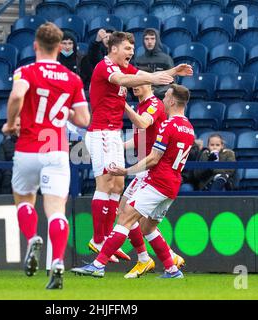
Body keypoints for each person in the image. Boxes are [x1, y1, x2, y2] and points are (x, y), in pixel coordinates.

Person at [84, 30, 193, 264]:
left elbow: (143, 75)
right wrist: (153, 79)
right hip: (102, 131)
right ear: (113, 49)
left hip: (113, 134)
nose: (131, 54)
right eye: (127, 49)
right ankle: (100, 239)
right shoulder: (106, 68)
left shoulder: (132, 77)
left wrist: (172, 72)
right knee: (106, 184)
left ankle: (141, 255)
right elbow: (126, 81)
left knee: (118, 185)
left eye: (133, 50)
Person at [72, 84, 194, 279]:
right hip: (172, 184)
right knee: (148, 227)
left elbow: (154, 158)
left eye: (166, 97)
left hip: (157, 181)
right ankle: (172, 269)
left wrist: (126, 170)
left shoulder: (168, 124)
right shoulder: (189, 128)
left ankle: (98, 264)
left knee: (125, 217)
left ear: (172, 101)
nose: (163, 100)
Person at [1, 22, 90, 290]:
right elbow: (84, 119)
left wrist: (10, 122)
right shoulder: (71, 78)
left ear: (36, 46)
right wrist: (63, 110)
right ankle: (59, 262)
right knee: (56, 212)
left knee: (24, 199)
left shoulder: (25, 71)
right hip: (56, 149)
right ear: (60, 46)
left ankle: (31, 239)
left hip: (28, 146)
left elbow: (17, 96)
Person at [120, 83, 185, 278]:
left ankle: (145, 259)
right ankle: (165, 259)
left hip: (151, 169)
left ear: (149, 83)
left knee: (127, 215)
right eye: (133, 83)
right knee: (132, 217)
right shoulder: (142, 107)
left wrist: (122, 104)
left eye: (139, 82)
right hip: (146, 167)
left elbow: (142, 124)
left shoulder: (154, 105)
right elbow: (141, 139)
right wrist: (118, 146)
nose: (134, 86)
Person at [134, 28, 175, 99]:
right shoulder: (138, 60)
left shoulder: (166, 59)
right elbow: (134, 80)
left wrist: (155, 92)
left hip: (161, 96)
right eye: (146, 39)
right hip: (142, 95)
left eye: (152, 38)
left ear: (157, 40)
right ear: (143, 41)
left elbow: (172, 83)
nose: (149, 42)